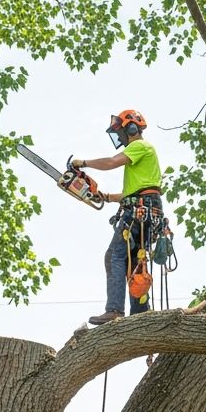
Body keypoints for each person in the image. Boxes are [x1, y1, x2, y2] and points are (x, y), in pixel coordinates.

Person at [70, 109, 163, 325]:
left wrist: (82, 163)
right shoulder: (145, 155)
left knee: (114, 255)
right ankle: (140, 314)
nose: (120, 136)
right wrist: (106, 197)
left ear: (131, 128)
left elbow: (111, 162)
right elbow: (135, 192)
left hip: (139, 210)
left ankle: (114, 310)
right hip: (147, 208)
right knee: (135, 262)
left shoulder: (140, 146)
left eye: (120, 131)